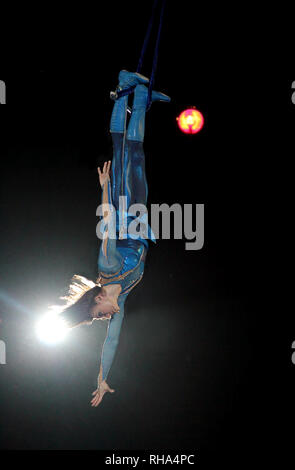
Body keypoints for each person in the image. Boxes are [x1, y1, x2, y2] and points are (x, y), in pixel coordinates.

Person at [59, 70, 170, 406]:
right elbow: (111, 343)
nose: (106, 318)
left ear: (95, 302)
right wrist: (101, 378)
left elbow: (107, 223)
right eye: (102, 319)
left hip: (122, 207)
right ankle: (138, 97)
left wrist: (106, 188)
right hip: (140, 219)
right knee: (135, 154)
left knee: (127, 152)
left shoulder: (107, 267)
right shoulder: (119, 306)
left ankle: (127, 89)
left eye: (99, 315)